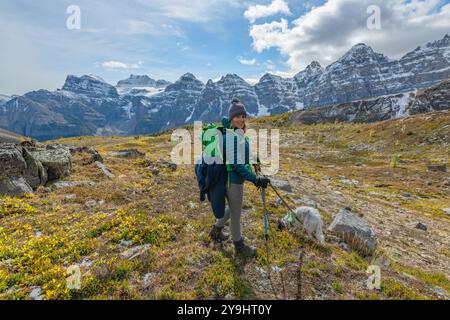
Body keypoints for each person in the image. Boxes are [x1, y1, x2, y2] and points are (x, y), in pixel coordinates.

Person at [209, 98, 270, 258]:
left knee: (233, 208)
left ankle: (216, 230)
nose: (241, 119)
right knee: (236, 215)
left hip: (235, 179)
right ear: (231, 118)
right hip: (233, 180)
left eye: (243, 116)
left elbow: (244, 154)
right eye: (237, 116)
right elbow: (236, 164)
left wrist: (254, 160)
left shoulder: (240, 133)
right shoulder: (231, 136)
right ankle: (239, 245)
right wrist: (255, 179)